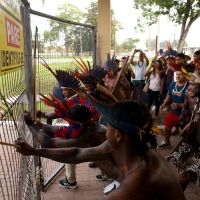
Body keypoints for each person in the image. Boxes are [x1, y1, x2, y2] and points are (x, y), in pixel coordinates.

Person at [15, 100, 186, 200]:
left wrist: (31, 125)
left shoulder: (135, 184)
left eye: (109, 126)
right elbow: (77, 153)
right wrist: (33, 152)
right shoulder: (130, 146)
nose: (105, 129)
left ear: (118, 134)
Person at [167, 71, 200, 188]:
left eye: (193, 85)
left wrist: (191, 123)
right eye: (189, 84)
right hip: (192, 132)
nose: (189, 88)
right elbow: (185, 108)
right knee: (187, 163)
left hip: (196, 130)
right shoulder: (187, 92)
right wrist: (181, 120)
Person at [159, 70, 189, 148]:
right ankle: (167, 142)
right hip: (173, 111)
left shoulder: (189, 86)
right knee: (167, 127)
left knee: (185, 132)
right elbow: (168, 96)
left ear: (186, 75)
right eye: (176, 74)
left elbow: (193, 103)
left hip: (185, 114)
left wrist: (180, 105)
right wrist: (164, 104)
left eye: (180, 74)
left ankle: (185, 146)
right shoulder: (173, 84)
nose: (178, 76)